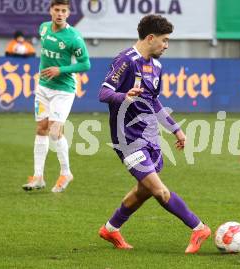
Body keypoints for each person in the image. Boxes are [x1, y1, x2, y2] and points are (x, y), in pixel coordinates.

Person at [97, 14, 210, 254]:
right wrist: (124, 96)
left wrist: (176, 129)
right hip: (127, 140)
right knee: (159, 190)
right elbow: (104, 93)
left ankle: (110, 228)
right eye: (164, 40)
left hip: (150, 137)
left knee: (145, 189)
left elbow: (153, 102)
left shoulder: (156, 66)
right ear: (150, 38)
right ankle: (199, 227)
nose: (166, 45)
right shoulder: (125, 61)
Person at [22, 0, 91, 192]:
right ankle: (38, 177)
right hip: (43, 88)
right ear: (51, 11)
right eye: (57, 10)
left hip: (63, 90)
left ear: (68, 14)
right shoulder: (43, 28)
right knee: (41, 128)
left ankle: (66, 172)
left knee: (54, 131)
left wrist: (61, 69)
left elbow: (85, 64)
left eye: (63, 11)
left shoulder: (74, 37)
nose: (60, 13)